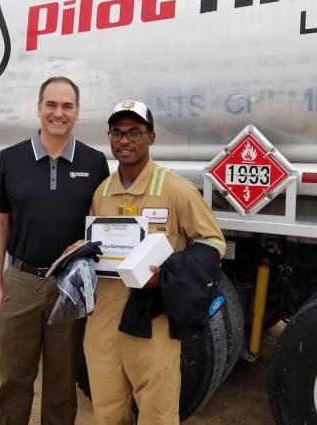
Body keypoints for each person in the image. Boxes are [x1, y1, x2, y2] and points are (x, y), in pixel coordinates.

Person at [83, 100, 226, 424]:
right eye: (117, 133)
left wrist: (169, 273)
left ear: (151, 137)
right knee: (106, 411)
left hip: (152, 321)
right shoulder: (102, 192)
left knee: (158, 414)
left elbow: (214, 243)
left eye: (135, 132)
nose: (125, 140)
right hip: (103, 320)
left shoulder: (177, 190)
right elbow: (98, 248)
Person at [0, 76, 109, 425]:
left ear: (78, 113)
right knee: (14, 378)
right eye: (51, 105)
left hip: (69, 287)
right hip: (21, 283)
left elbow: (99, 225)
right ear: (39, 108)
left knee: (61, 381)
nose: (59, 113)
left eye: (67, 106)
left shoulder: (94, 162)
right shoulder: (11, 159)